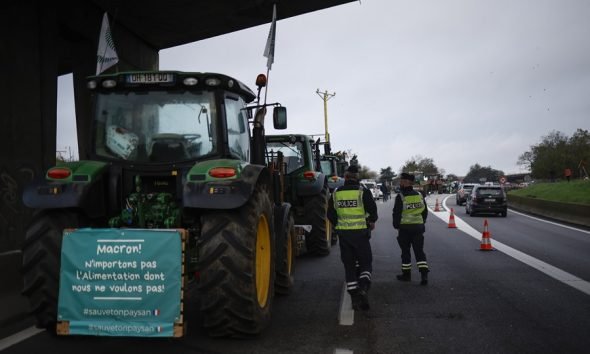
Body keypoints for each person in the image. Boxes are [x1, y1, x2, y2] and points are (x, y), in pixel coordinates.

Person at [328, 165, 378, 311]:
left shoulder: (336, 193)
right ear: (357, 178)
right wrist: (371, 221)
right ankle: (363, 286)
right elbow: (372, 210)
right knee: (366, 262)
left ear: (345, 177)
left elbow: (330, 214)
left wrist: (338, 226)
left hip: (344, 235)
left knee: (349, 266)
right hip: (361, 234)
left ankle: (354, 297)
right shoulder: (363, 192)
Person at [392, 172, 429, 285]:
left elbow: (397, 213)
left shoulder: (401, 196)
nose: (400, 183)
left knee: (405, 252)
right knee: (419, 251)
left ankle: (406, 275)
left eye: (401, 181)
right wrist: (421, 222)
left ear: (406, 182)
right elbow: (425, 211)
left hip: (405, 229)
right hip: (418, 228)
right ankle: (424, 275)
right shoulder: (419, 195)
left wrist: (397, 226)